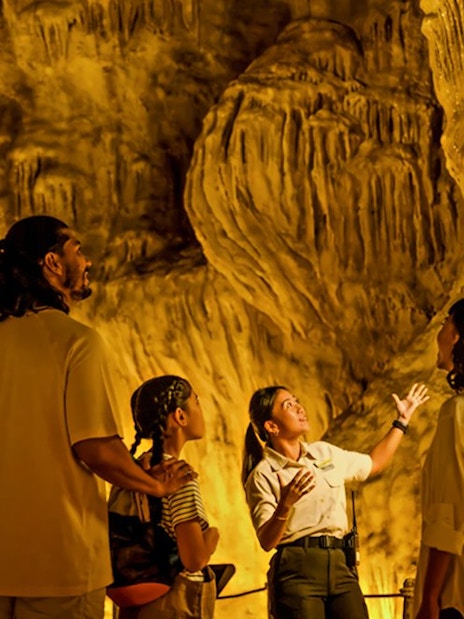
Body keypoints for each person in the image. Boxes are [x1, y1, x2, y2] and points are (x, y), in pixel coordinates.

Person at [0, 215, 195, 619]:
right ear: (52, 263)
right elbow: (96, 447)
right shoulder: (75, 342)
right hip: (59, 564)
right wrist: (154, 487)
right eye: (78, 250)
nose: (87, 261)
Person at [242, 382, 429, 619]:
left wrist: (401, 421)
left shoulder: (324, 453)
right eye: (289, 405)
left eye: (297, 400)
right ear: (271, 426)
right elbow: (267, 541)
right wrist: (285, 505)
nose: (300, 408)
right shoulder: (264, 474)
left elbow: (373, 463)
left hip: (340, 564)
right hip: (297, 571)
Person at [109, 375, 219, 619]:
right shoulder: (177, 476)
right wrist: (212, 536)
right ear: (180, 416)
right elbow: (194, 559)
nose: (202, 410)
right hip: (170, 603)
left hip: (134, 603)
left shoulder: (135, 471)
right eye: (197, 402)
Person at [414, 299, 464, 619]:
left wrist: (430, 595)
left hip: (454, 591)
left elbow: (450, 509)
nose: (440, 332)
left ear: (457, 338)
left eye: (446, 324)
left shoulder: (456, 412)